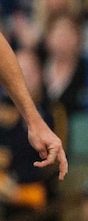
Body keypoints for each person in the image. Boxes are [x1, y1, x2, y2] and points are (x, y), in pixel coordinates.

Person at [0, 31, 67, 179]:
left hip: (31, 188)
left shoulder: (51, 110)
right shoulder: (3, 107)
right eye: (21, 72)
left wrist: (32, 119)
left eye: (29, 73)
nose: (25, 78)